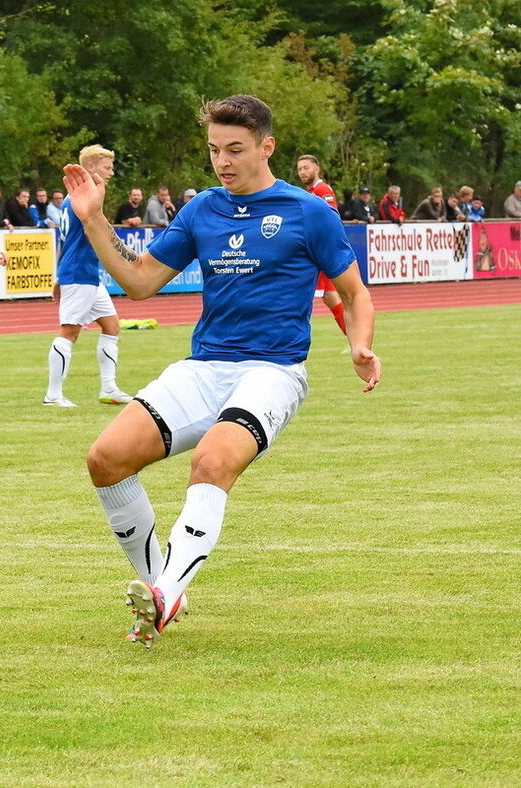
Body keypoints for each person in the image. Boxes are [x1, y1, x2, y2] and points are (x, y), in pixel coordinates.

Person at [62, 93, 379, 648]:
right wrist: (93, 219)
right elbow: (139, 283)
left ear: (266, 146)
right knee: (105, 459)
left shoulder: (310, 212)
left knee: (212, 461)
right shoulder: (202, 208)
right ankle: (162, 584)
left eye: (235, 149)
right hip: (205, 366)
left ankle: (162, 596)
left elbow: (355, 294)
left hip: (273, 371)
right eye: (214, 150)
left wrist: (360, 346)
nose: (223, 162)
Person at [44, 144, 132, 408]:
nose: (112, 172)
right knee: (69, 331)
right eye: (107, 167)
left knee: (111, 326)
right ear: (90, 168)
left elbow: (67, 238)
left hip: (86, 273)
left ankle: (109, 388)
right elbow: (88, 232)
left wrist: (58, 275)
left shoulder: (75, 196)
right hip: (80, 272)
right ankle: (53, 395)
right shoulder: (86, 195)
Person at [296, 154, 346, 335]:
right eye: (300, 168)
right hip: (315, 251)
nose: (302, 172)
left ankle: (355, 337)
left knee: (322, 296)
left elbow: (331, 217)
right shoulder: (309, 193)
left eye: (306, 167)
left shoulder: (322, 190)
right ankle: (355, 337)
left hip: (320, 251)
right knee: (329, 297)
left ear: (316, 169)